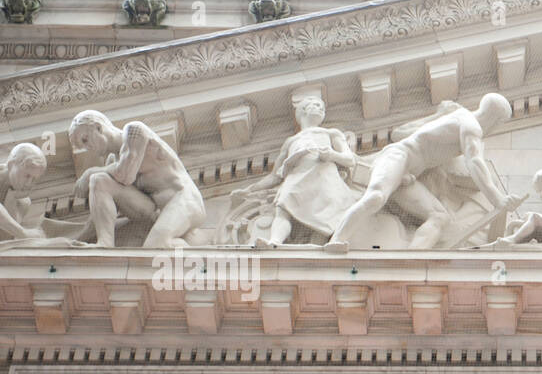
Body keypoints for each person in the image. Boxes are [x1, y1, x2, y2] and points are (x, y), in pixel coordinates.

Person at [327, 93, 518, 251]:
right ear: (495, 118)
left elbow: (399, 133)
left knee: (440, 217)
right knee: (376, 197)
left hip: (409, 177)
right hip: (398, 157)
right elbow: (475, 163)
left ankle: (412, 261)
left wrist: (436, 116)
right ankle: (337, 240)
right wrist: (498, 199)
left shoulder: (457, 117)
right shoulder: (471, 125)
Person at [230, 96, 358, 246]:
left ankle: (323, 246)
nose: (320, 109)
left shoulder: (331, 134)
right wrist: (248, 190)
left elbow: (350, 159)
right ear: (303, 110)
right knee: (283, 209)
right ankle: (275, 242)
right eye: (315, 105)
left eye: (322, 108)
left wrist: (331, 154)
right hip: (296, 179)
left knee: (326, 215)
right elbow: (274, 177)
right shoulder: (291, 142)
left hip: (325, 179)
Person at [68, 110, 205, 248]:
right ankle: (105, 243)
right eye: (83, 146)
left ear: (98, 127)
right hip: (154, 210)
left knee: (155, 246)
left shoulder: (134, 131)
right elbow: (100, 211)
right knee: (99, 181)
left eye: (85, 139)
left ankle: (198, 251)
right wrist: (73, 241)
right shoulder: (112, 162)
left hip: (183, 200)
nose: (88, 148)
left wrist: (89, 173)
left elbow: (125, 175)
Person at [0, 143, 48, 241]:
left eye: (34, 179)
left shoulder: (23, 202)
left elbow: (5, 239)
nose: (29, 183)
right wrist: (23, 233)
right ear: (11, 165)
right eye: (27, 176)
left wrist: (12, 198)